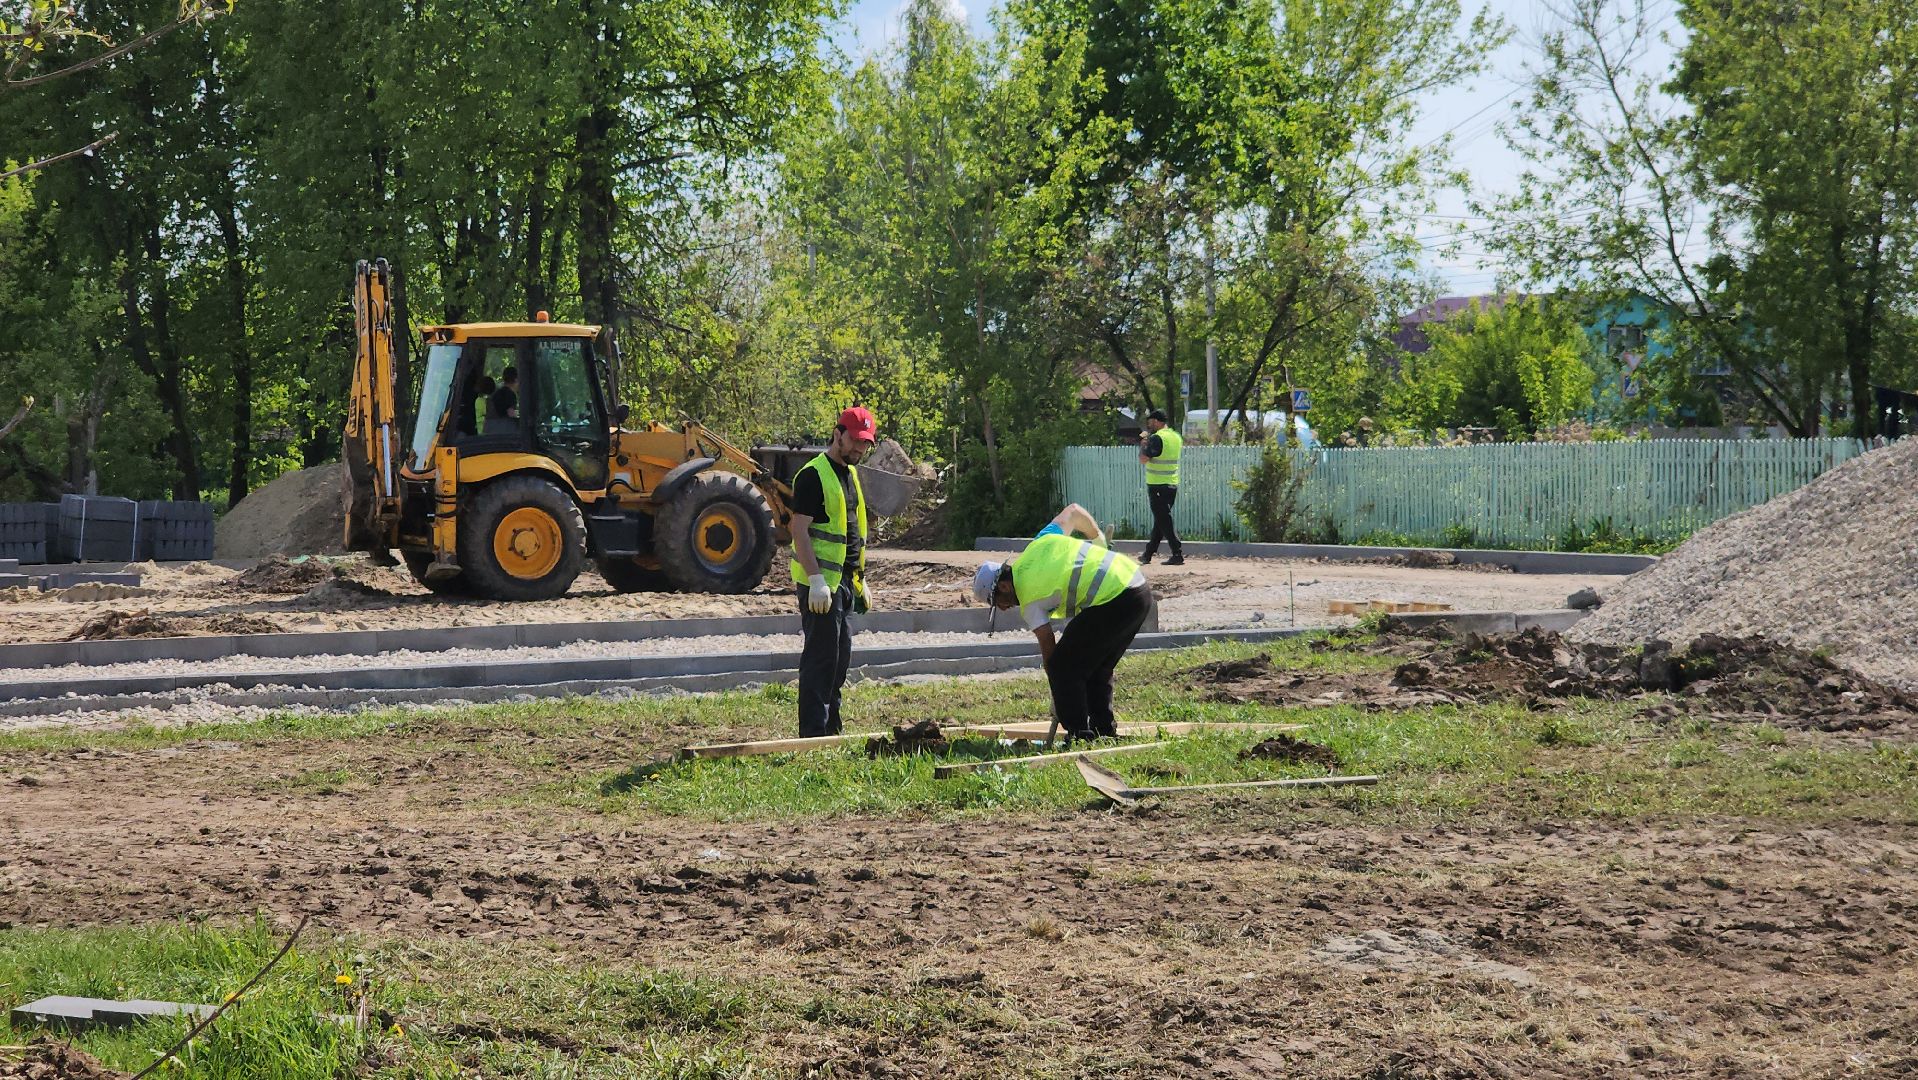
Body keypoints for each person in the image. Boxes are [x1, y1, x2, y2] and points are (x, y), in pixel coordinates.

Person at [972, 503, 1155, 742]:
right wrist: (1096, 537)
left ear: (1004, 586)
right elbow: (1074, 511)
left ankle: (1079, 733)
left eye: (998, 602)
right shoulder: (1040, 542)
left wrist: (1060, 694)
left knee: (1063, 666)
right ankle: (1103, 730)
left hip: (1115, 598)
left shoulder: (1029, 602)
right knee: (1095, 665)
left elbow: (1050, 654)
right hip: (1138, 589)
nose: (1004, 608)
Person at [787, 405, 878, 737]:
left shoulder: (851, 475)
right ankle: (813, 734)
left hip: (844, 583)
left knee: (840, 658)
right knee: (821, 659)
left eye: (865, 443)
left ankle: (832, 729)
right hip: (820, 584)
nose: (859, 448)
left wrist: (860, 580)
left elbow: (852, 532)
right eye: (854, 441)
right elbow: (798, 531)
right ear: (837, 434)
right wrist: (815, 580)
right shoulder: (813, 474)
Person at [1138, 408, 1184, 564]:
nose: (1150, 424)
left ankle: (1177, 552)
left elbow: (1144, 459)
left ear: (1157, 421)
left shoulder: (1157, 438)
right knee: (1161, 520)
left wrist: (1143, 445)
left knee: (1164, 519)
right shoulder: (1176, 437)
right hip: (1172, 484)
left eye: (1151, 421)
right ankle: (1148, 554)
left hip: (1157, 485)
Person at [485, 366, 519, 434]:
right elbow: (511, 414)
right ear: (516, 380)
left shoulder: (496, 393)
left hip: (490, 430)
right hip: (503, 432)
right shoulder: (511, 395)